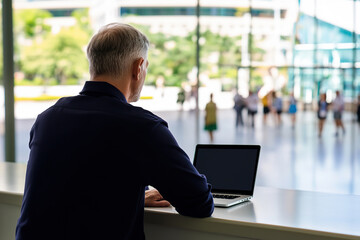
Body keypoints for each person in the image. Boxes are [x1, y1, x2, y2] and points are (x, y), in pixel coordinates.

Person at [16, 23, 214, 240]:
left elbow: (72, 190)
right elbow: (199, 203)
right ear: (138, 68)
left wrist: (134, 197)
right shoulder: (143, 127)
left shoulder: (48, 118)